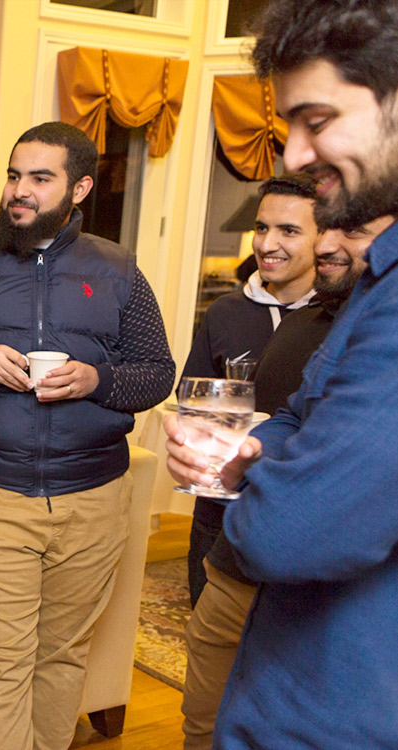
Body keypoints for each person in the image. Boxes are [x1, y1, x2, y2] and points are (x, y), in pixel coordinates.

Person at [0, 122, 174, 750]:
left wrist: (96, 380)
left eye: (39, 179)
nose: (19, 191)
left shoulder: (118, 268)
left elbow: (157, 372)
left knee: (63, 656)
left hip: (92, 495)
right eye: (15, 175)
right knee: (0, 662)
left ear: (79, 188)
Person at [165, 1, 398, 745]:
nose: (294, 152)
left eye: (316, 119)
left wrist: (246, 478)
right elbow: (300, 413)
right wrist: (272, 458)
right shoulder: (374, 283)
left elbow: (287, 531)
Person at [179, 216, 390, 750]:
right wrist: (251, 451)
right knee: (205, 721)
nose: (329, 246)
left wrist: (263, 486)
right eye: (328, 229)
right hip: (235, 565)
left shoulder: (382, 331)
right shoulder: (310, 322)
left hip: (321, 591)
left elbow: (294, 528)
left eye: (354, 231)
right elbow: (291, 417)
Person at [179, 174, 319, 607]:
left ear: (325, 237)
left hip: (298, 518)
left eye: (289, 231)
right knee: (208, 648)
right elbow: (192, 402)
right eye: (261, 228)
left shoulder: (341, 319)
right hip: (217, 515)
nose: (266, 243)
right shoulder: (225, 312)